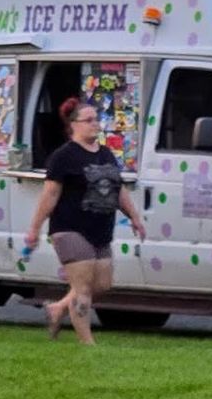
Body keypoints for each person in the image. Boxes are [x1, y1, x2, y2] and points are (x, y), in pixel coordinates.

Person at [23, 98, 147, 344]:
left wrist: (134, 217)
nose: (95, 125)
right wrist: (34, 229)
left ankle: (57, 309)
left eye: (96, 120)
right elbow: (50, 194)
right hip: (69, 229)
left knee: (102, 284)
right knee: (82, 289)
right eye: (88, 120)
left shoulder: (106, 154)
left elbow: (118, 189)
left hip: (100, 230)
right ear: (73, 125)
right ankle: (87, 343)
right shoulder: (63, 157)